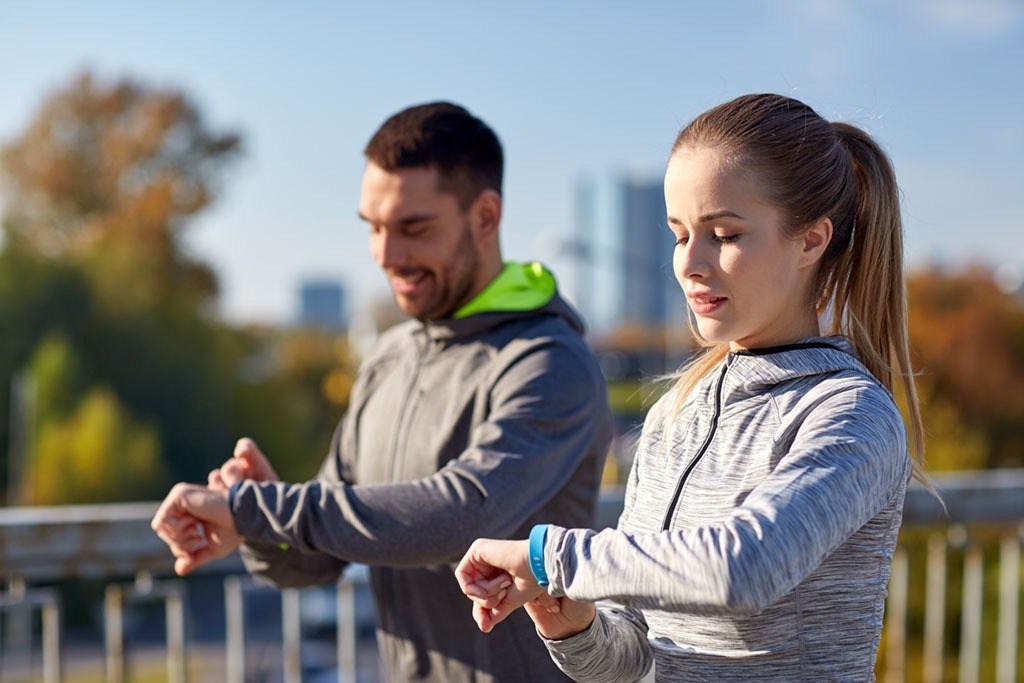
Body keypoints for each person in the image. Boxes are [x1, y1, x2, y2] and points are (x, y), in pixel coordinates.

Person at [456, 93, 929, 682]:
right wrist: (573, 624)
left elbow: (743, 568)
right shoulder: (676, 414)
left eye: (724, 235)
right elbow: (630, 659)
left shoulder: (852, 413)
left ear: (811, 240)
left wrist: (550, 557)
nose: (689, 263)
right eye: (679, 234)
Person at [151, 101, 612, 682]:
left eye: (413, 228)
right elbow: (317, 562)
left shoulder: (549, 362)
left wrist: (260, 508)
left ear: (486, 217)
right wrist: (261, 526)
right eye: (372, 226)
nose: (387, 255)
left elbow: (461, 515)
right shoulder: (390, 358)